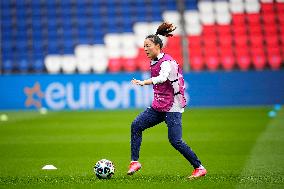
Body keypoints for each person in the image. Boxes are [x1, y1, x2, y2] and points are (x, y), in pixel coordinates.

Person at [127, 22, 207, 179]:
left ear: (157, 46)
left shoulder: (167, 62)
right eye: (144, 46)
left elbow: (163, 78)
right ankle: (134, 162)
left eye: (148, 46)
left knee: (175, 141)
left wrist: (144, 82)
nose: (145, 49)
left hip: (172, 107)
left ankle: (199, 167)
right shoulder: (155, 60)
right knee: (136, 125)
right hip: (158, 106)